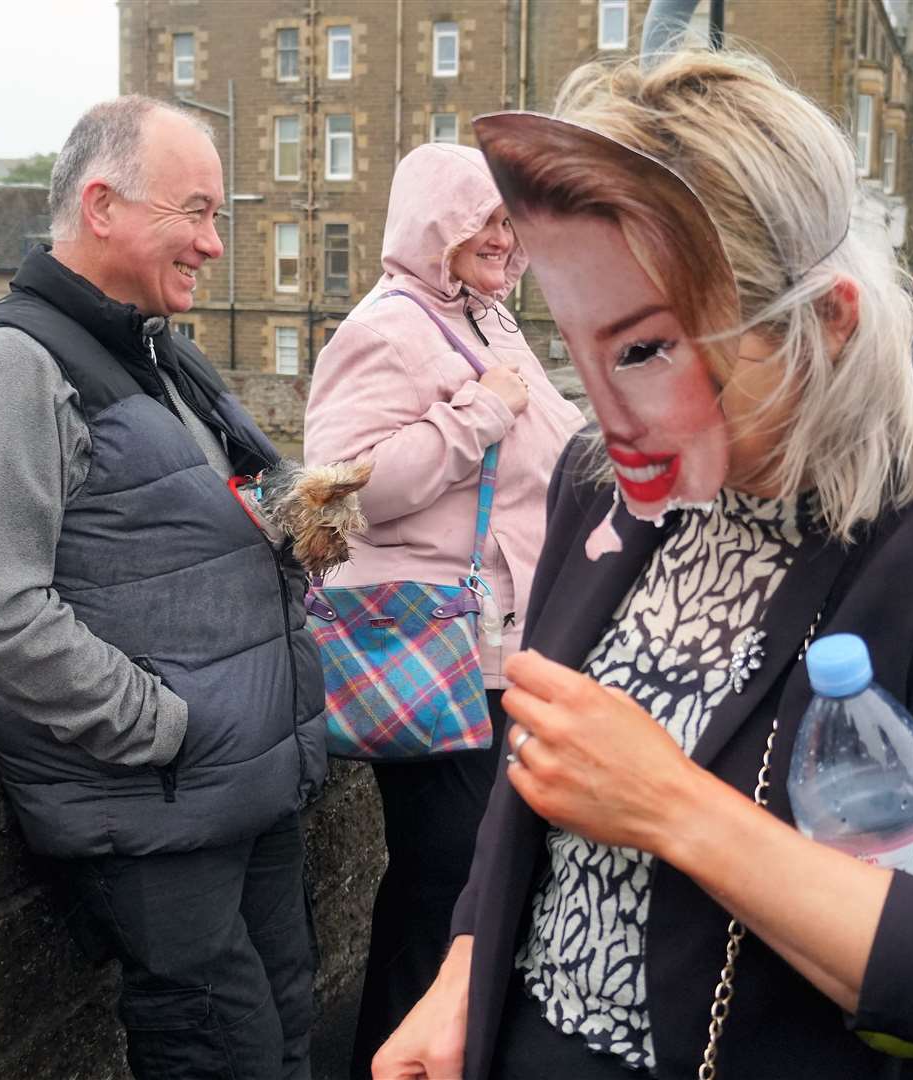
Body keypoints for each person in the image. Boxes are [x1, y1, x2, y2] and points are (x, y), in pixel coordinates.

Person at [376, 49, 913, 1080]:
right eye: (582, 345)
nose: (609, 415)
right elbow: (538, 782)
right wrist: (467, 970)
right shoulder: (603, 483)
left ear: (825, 321)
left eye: (650, 351)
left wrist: (675, 809)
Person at [0, 96, 325, 1079]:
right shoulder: (10, 364)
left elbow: (227, 501)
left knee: (287, 1032)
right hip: (161, 804)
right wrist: (163, 727)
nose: (215, 245)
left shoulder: (152, 349)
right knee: (221, 1051)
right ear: (102, 206)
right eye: (196, 212)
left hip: (247, 786)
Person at [303, 142, 584, 1076]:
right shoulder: (388, 326)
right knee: (444, 883)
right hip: (435, 649)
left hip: (501, 648)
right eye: (488, 221)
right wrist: (478, 416)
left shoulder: (491, 322)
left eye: (513, 223)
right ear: (438, 223)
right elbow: (337, 493)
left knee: (472, 879)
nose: (506, 240)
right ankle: (392, 1055)